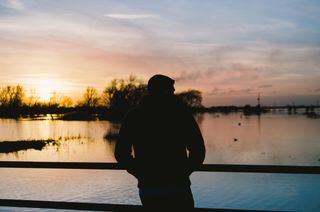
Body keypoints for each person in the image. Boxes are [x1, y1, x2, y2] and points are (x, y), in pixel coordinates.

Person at [115, 74, 206, 210]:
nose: (174, 92)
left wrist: (140, 173)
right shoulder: (181, 114)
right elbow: (198, 150)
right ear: (165, 91)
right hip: (178, 186)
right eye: (171, 89)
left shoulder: (134, 116)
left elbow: (121, 153)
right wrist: (184, 172)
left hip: (149, 187)